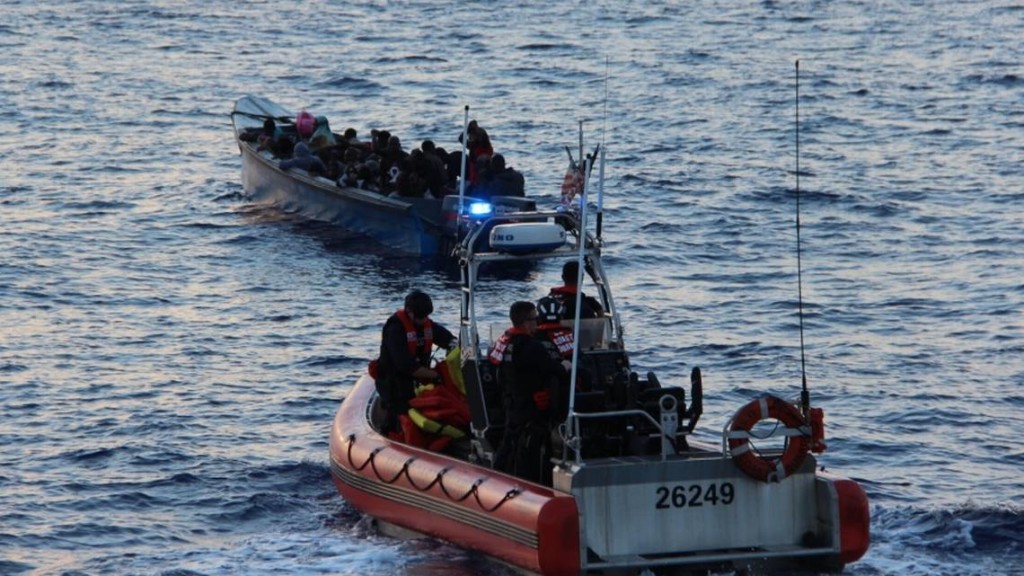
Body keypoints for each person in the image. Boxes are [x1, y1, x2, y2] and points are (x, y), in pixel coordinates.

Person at [488, 301, 570, 484]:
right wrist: (565, 366)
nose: (537, 323)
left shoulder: (504, 342)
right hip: (530, 406)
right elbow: (552, 369)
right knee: (528, 446)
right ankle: (529, 483)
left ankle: (497, 477)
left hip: (511, 402)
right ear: (526, 322)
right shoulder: (532, 347)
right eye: (535, 319)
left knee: (509, 442)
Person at [375, 290, 457, 435]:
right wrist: (434, 375)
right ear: (409, 312)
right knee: (399, 418)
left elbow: (447, 339)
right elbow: (405, 365)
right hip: (395, 384)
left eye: (426, 316)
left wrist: (456, 346)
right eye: (420, 316)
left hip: (418, 382)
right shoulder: (395, 329)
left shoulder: (426, 325)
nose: (423, 320)